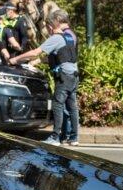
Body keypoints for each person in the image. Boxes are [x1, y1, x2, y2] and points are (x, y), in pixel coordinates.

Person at [10, 9, 79, 146]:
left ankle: (55, 137)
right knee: (72, 106)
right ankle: (74, 138)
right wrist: (36, 62)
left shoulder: (56, 38)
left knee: (57, 105)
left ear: (53, 24)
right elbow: (59, 56)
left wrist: (16, 59)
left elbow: (36, 52)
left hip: (63, 77)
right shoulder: (70, 37)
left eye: (48, 26)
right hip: (74, 76)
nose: (47, 29)